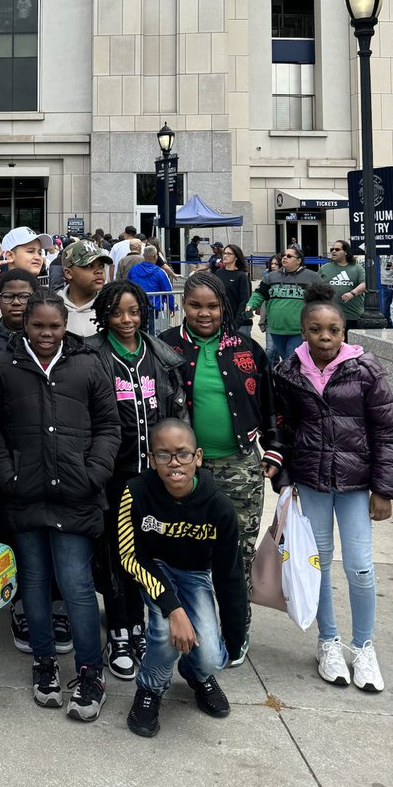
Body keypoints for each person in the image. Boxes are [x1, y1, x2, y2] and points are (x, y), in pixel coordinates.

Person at [0, 291, 120, 721]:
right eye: (38, 326)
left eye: (55, 326)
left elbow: (108, 425)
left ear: (66, 326)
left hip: (76, 494)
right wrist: (8, 475)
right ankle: (44, 663)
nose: (47, 334)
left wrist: (94, 472)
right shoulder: (4, 368)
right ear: (25, 324)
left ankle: (89, 672)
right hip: (24, 494)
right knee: (34, 582)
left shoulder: (87, 364)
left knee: (76, 585)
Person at [273, 282, 393, 692]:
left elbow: (386, 431)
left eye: (333, 330)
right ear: (303, 330)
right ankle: (328, 640)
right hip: (312, 481)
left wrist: (385, 488)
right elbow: (283, 429)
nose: (325, 337)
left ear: (344, 331)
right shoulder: (288, 372)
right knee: (318, 563)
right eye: (316, 330)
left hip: (358, 484)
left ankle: (363, 647)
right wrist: (286, 480)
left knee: (360, 566)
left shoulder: (366, 370)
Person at [159, 271, 282, 662]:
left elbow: (268, 403)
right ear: (183, 305)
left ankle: (235, 628)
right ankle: (185, 626)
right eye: (195, 305)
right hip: (182, 469)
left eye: (212, 306)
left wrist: (274, 448)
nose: (204, 313)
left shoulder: (246, 348)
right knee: (181, 550)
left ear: (224, 307)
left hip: (240, 464)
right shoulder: (165, 347)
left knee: (237, 554)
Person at [85, 281, 187, 681]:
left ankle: (141, 625)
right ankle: (120, 630)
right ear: (103, 316)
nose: (126, 320)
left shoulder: (161, 355)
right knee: (114, 552)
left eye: (133, 311)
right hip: (114, 473)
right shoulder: (91, 354)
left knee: (145, 552)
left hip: (154, 474)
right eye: (116, 312)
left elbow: (177, 413)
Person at [120, 419, 246, 738]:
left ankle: (196, 673)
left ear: (198, 457)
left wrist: (234, 639)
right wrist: (174, 610)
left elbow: (230, 575)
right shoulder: (134, 492)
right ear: (152, 459)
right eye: (163, 455)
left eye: (183, 454)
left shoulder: (219, 507)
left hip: (195, 573)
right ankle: (150, 689)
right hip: (154, 568)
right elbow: (129, 557)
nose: (174, 463)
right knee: (164, 634)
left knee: (211, 657)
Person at [245, 244, 320, 363]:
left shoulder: (312, 277)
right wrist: (251, 306)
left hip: (298, 330)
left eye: (289, 256)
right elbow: (259, 294)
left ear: (299, 260)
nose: (284, 258)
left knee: (290, 361)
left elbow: (322, 301)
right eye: (283, 255)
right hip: (275, 329)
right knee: (285, 360)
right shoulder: (271, 277)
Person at [0, 227, 52, 317]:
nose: (38, 257)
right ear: (10, 255)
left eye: (39, 252)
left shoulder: (44, 293)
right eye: (30, 251)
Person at [57, 241, 110, 343]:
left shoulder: (111, 307)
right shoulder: (52, 308)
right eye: (89, 266)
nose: (99, 271)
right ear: (68, 273)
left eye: (101, 266)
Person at [318, 239, 366, 336]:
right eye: (332, 249)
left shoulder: (356, 268)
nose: (333, 251)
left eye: (337, 249)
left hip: (352, 316)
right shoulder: (325, 268)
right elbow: (316, 287)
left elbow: (365, 283)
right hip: (330, 316)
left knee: (350, 348)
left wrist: (353, 293)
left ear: (345, 252)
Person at [127, 246, 175, 334]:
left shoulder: (133, 269)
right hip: (153, 306)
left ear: (143, 256)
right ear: (155, 256)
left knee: (136, 331)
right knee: (151, 332)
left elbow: (128, 286)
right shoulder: (159, 272)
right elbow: (168, 291)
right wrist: (172, 307)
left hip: (136, 305)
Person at [214, 243, 252, 334]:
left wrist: (236, 324)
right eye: (224, 253)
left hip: (240, 323)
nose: (225, 256)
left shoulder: (241, 276)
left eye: (229, 254)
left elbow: (244, 301)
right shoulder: (218, 273)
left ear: (236, 257)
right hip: (222, 321)